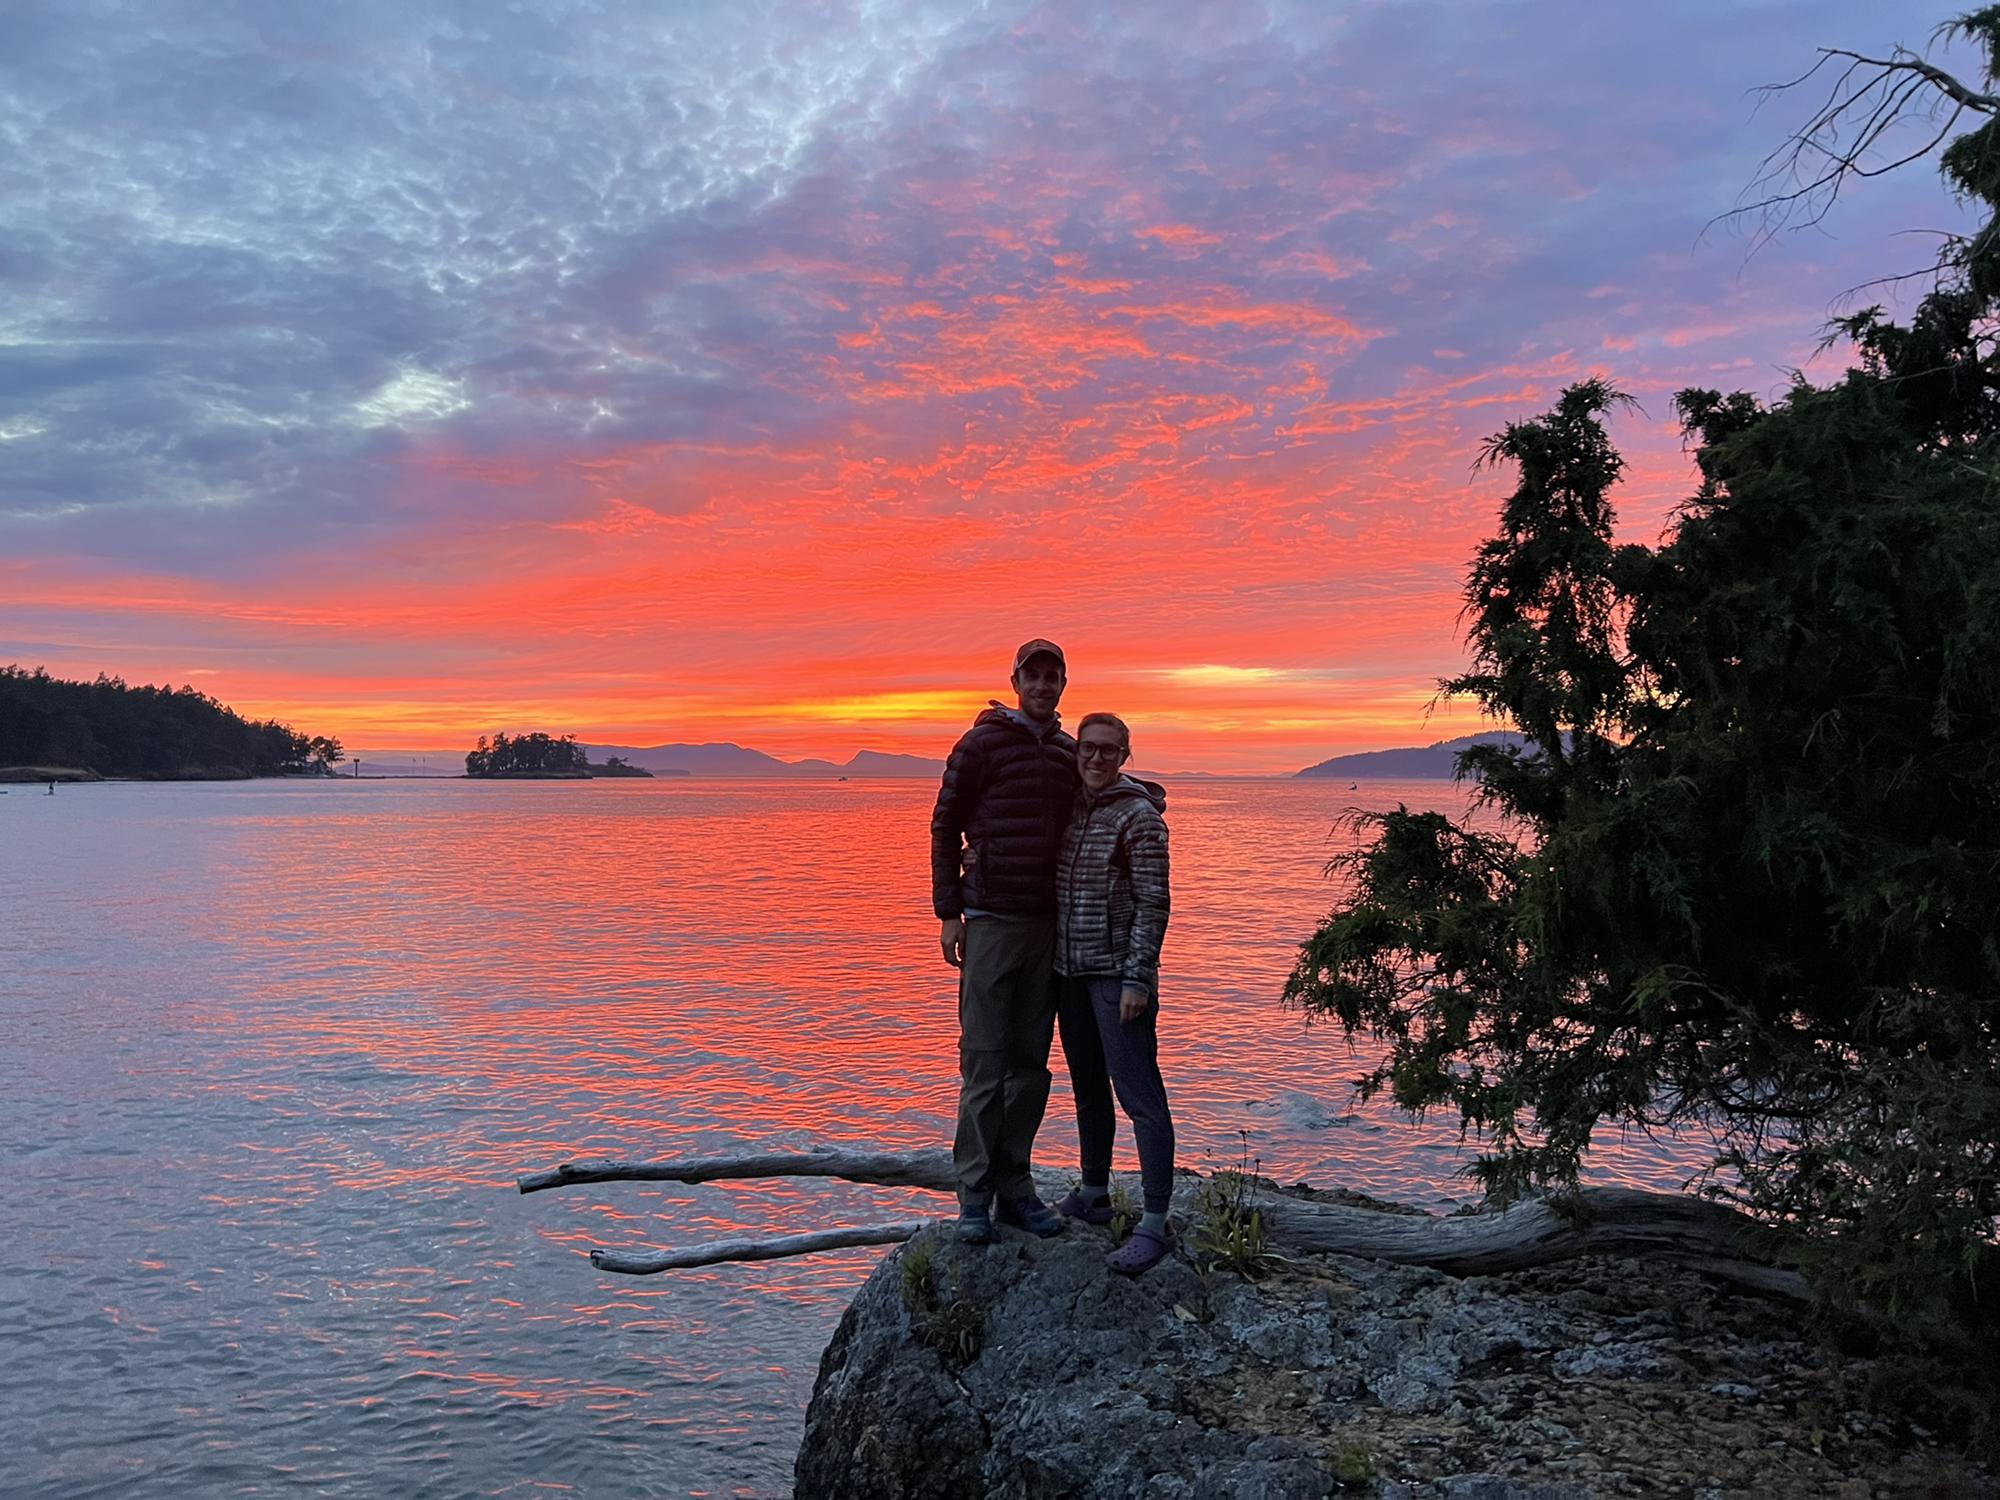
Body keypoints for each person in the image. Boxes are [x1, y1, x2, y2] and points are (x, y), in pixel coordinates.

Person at [931, 639, 1082, 1244]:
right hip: (990, 921)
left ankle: (1015, 1186)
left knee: (1031, 1066)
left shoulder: (1069, 752)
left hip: (1048, 927)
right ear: (1015, 680)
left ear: (1063, 685)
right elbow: (945, 825)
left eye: (1053, 677)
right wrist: (949, 914)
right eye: (1034, 675)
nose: (1043, 685)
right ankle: (974, 1194)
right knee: (984, 1064)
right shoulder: (982, 743)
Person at [1050, 712, 1177, 1274]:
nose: (1096, 759)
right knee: (1087, 1089)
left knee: (1139, 1095)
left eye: (1108, 750)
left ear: (1125, 755)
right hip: (1068, 972)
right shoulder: (1070, 808)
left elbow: (1154, 904)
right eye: (1087, 749)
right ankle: (1094, 1192)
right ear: (1076, 751)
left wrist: (1137, 977)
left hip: (1115, 978)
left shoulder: (1139, 817)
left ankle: (1155, 1222)